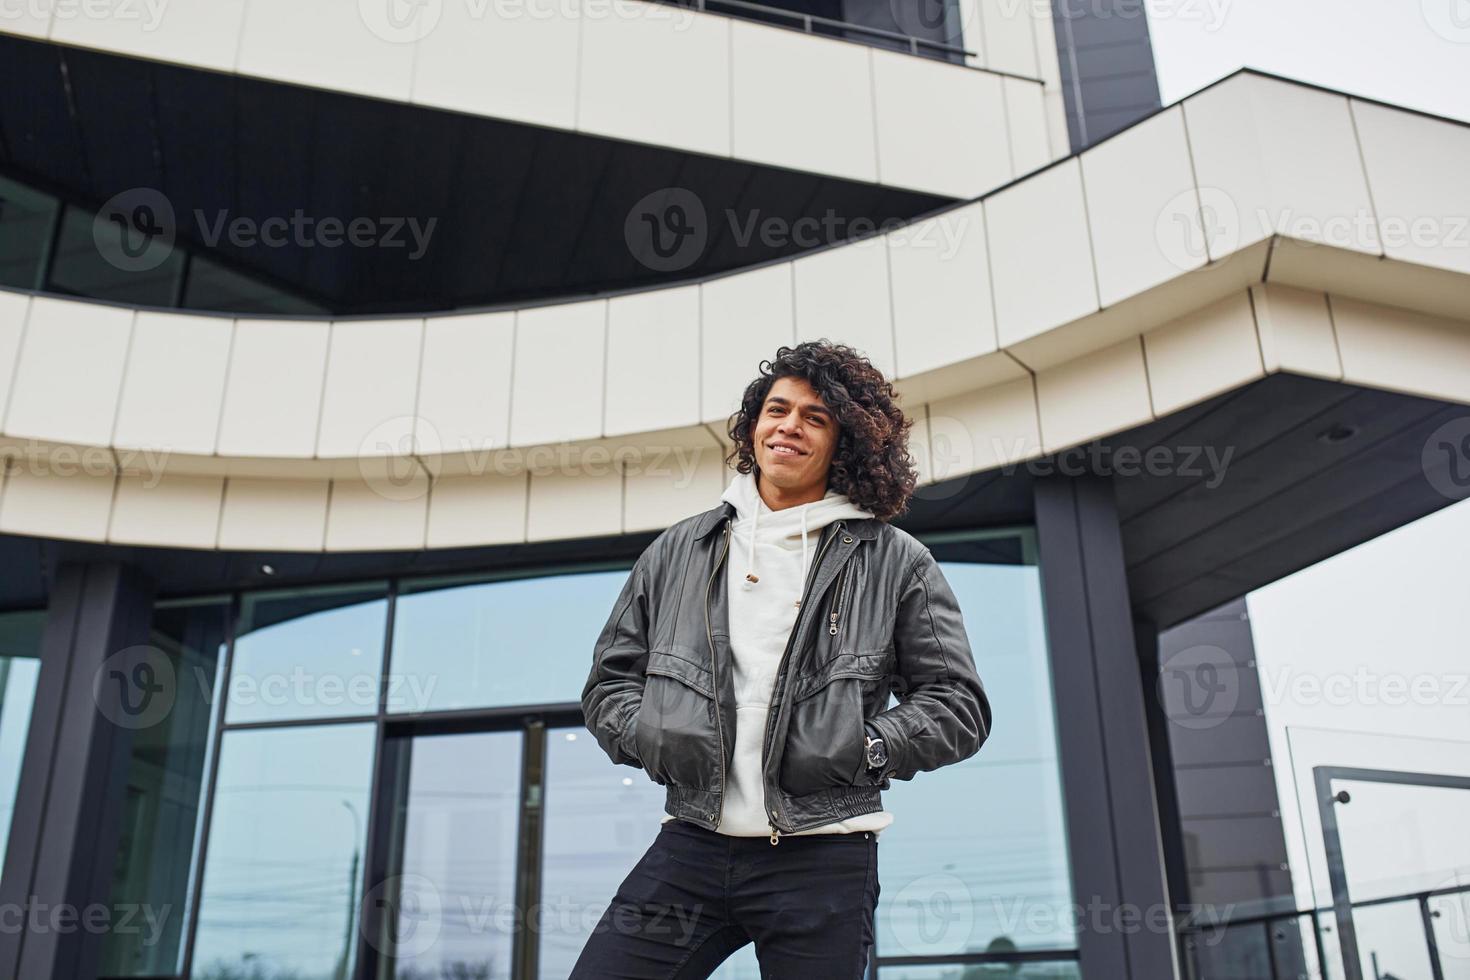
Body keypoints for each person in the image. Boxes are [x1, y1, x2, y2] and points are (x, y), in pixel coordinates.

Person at [574, 340, 992, 979]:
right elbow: (610, 682)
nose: (789, 426)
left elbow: (957, 705)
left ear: (844, 444)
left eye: (815, 418)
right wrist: (651, 735)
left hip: (824, 857)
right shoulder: (679, 550)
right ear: (754, 425)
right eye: (777, 409)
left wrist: (866, 747)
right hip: (692, 842)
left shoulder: (894, 560)